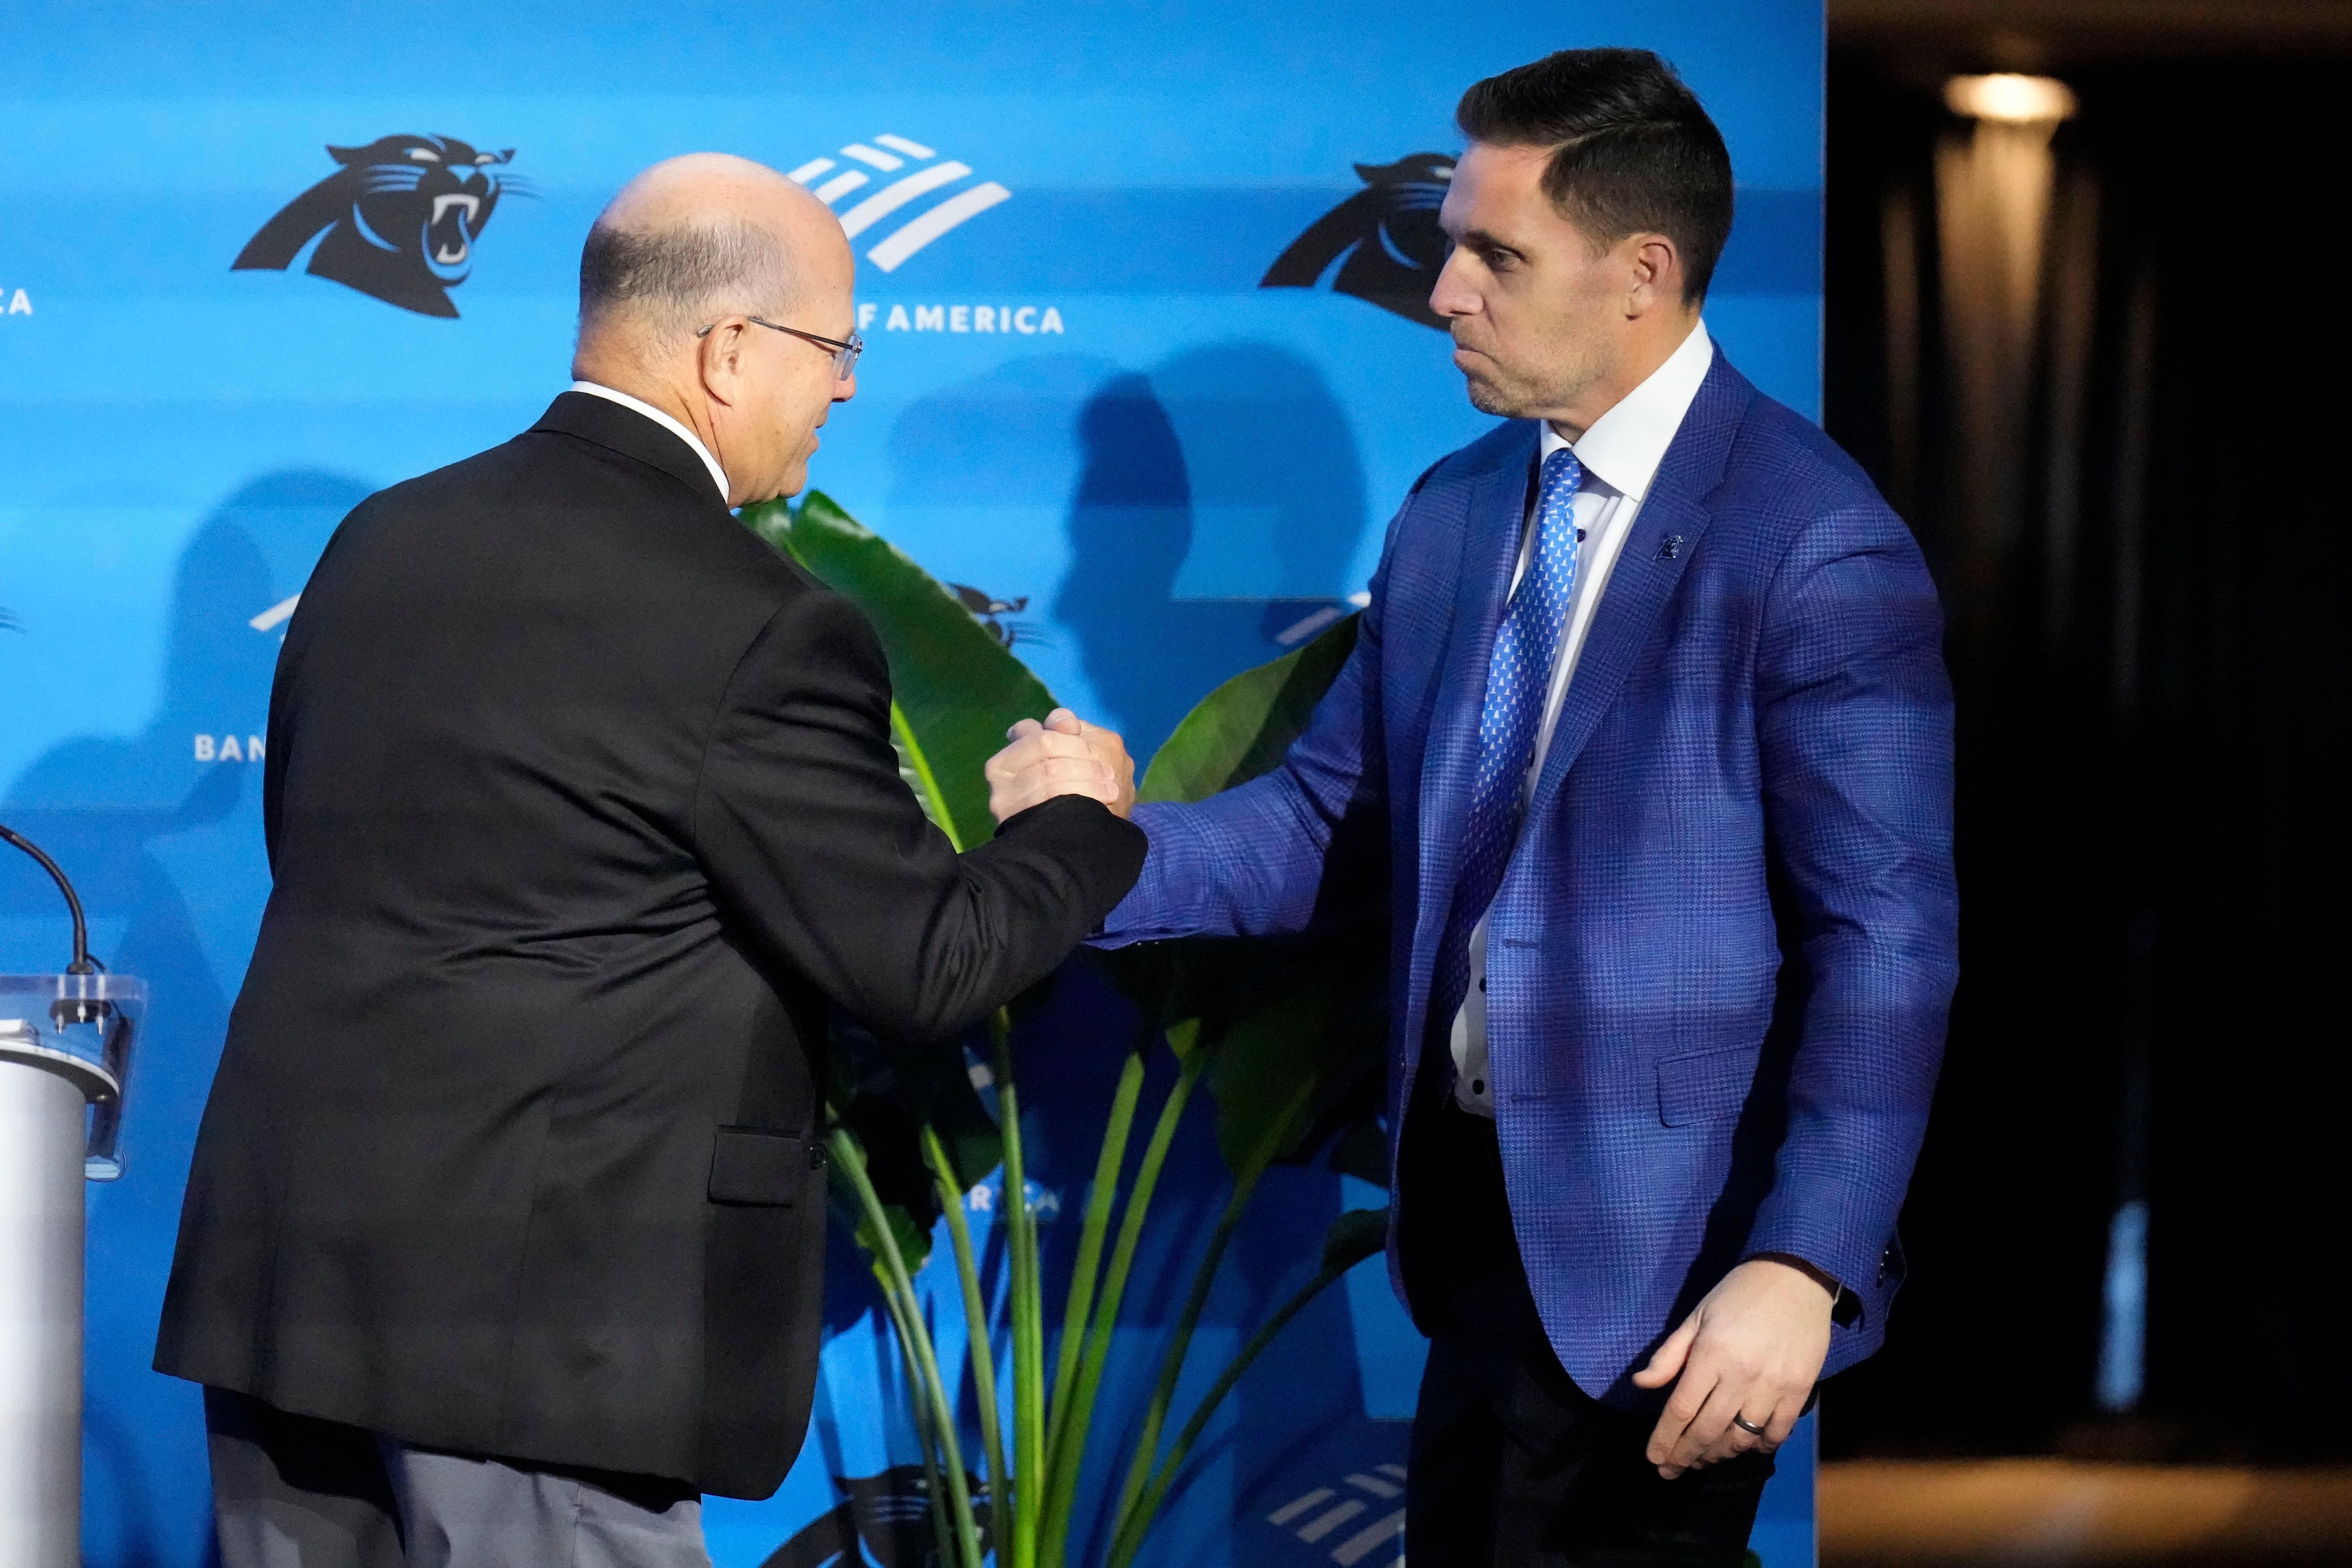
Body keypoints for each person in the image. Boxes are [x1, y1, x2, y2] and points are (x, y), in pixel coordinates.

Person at [154, 153, 1143, 1568]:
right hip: (535, 1338)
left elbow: (328, 856)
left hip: (296, 1284)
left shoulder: (381, 540)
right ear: (730, 350)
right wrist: (1072, 820)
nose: (848, 388)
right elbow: (924, 962)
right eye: (836, 346)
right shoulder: (759, 619)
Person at [1080, 48, 1957, 1565]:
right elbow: (1322, 828)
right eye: (1447, 248)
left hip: (1675, 1268)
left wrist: (1803, 1264)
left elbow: (1885, 941)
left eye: (1496, 254)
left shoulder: (1812, 543)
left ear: (1641, 273)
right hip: (1470, 1240)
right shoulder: (1456, 509)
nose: (1443, 294)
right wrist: (1077, 855)